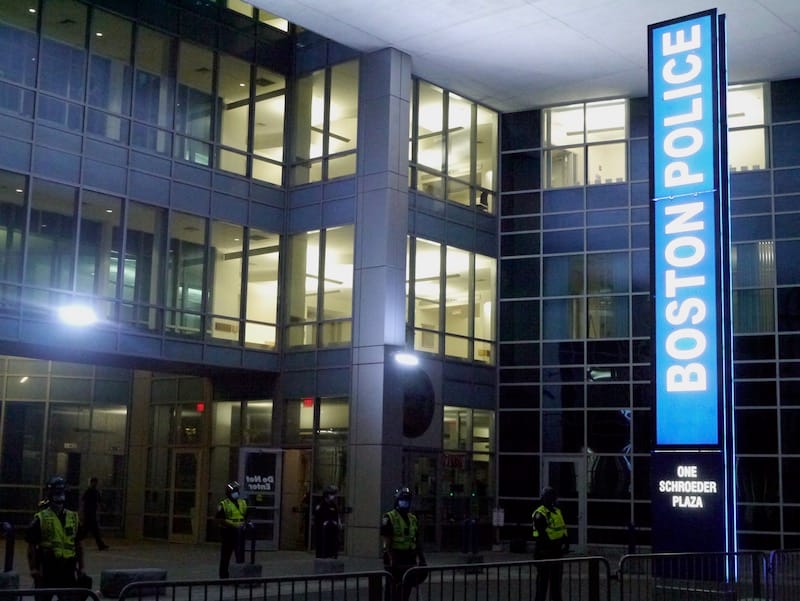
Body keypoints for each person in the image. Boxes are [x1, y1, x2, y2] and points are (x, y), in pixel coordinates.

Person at [26, 476, 87, 599]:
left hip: (68, 569)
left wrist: (82, 567)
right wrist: (33, 568)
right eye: (56, 493)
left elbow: (78, 544)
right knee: (44, 597)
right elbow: (31, 546)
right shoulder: (40, 518)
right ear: (50, 495)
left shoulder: (73, 517)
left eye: (61, 493)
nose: (59, 497)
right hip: (47, 568)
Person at [381, 487, 426, 601]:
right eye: (402, 500)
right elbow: (387, 541)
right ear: (397, 501)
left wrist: (421, 558)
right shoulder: (389, 517)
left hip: (409, 557)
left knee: (406, 588)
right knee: (392, 590)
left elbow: (416, 539)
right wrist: (391, 558)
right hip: (395, 556)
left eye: (407, 501)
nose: (405, 503)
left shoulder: (413, 518)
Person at [532, 486, 570, 601]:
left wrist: (565, 543)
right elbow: (542, 535)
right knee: (544, 584)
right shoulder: (540, 513)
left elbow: (563, 529)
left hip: (554, 552)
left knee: (554, 583)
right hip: (546, 552)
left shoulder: (556, 511)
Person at [215, 481, 248, 578]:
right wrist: (233, 526)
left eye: (237, 491)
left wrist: (244, 525)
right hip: (228, 532)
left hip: (240, 532)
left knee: (240, 555)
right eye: (234, 491)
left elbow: (246, 516)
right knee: (226, 555)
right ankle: (224, 576)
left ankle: (240, 576)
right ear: (228, 493)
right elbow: (220, 519)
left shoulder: (242, 502)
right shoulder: (223, 504)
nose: (236, 493)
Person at [80, 477, 109, 551]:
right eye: (94, 482)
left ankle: (101, 545)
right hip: (89, 514)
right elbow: (84, 501)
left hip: (90, 513)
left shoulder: (94, 491)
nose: (95, 484)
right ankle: (101, 545)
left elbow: (99, 501)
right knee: (89, 531)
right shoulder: (90, 491)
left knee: (88, 531)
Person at [313, 485, 342, 558]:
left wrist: (338, 523)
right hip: (323, 532)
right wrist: (325, 523)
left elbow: (336, 515)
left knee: (333, 545)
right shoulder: (321, 505)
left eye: (334, 494)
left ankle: (332, 554)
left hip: (332, 531)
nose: (333, 496)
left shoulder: (333, 505)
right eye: (331, 494)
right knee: (323, 547)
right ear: (326, 495)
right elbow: (317, 518)